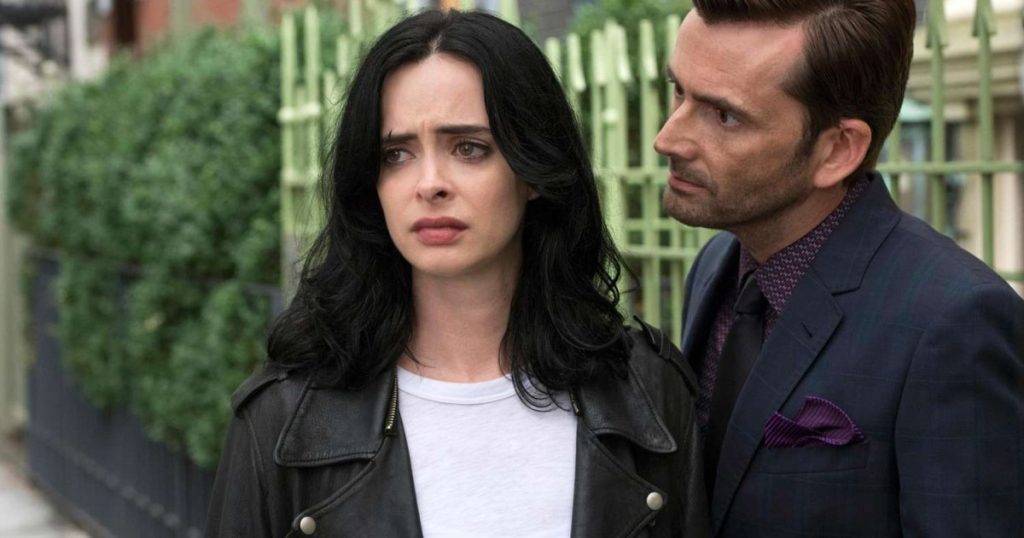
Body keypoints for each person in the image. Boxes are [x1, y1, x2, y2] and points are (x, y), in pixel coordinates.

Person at [206, 9, 709, 537]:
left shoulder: (647, 392)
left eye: (469, 148)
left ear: (533, 171)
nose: (429, 184)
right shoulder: (283, 417)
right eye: (396, 154)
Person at [655, 1, 1024, 536]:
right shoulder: (717, 266)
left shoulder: (954, 322)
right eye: (679, 91)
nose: (667, 138)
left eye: (724, 116)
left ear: (838, 150)